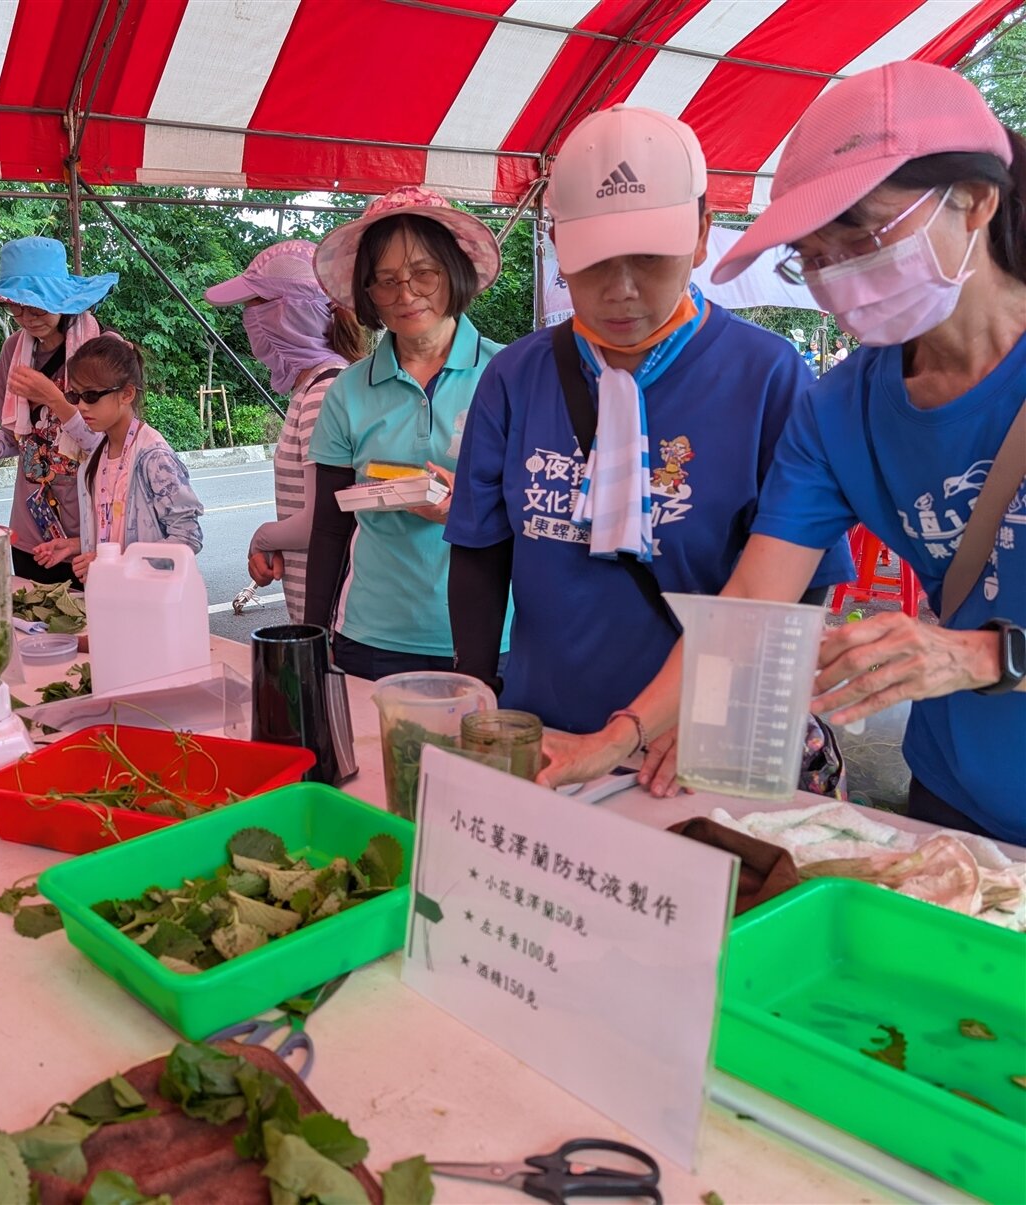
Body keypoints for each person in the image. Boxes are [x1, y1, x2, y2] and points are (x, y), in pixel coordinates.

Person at [541, 63, 1026, 844]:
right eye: (815, 254)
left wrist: (982, 656)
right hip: (953, 804)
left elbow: (975, 655)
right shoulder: (837, 410)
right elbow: (746, 608)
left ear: (974, 199)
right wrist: (619, 736)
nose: (841, 277)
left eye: (861, 234)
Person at [446, 106, 851, 753]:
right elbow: (480, 548)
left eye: (650, 256)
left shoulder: (767, 377)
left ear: (701, 233)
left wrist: (723, 717)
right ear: (556, 243)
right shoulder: (516, 378)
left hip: (696, 742)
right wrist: (475, 692)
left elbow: (803, 582)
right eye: (596, 260)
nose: (623, 289)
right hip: (544, 728)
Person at [303, 185, 504, 679]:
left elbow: (540, 515)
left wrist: (472, 511)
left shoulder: (509, 375)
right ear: (367, 293)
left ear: (454, 271)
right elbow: (330, 526)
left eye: (423, 273)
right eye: (386, 280)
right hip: (373, 637)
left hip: (494, 635)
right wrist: (313, 635)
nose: (406, 294)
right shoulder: (347, 391)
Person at [205, 240, 367, 623]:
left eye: (253, 307)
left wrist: (263, 538)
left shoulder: (324, 395)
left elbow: (324, 520)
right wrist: (282, 540)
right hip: (324, 605)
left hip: (333, 614)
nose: (248, 321)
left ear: (287, 315)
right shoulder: (321, 386)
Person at [0, 237, 117, 583]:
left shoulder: (102, 349)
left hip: (88, 535)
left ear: (61, 298)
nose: (26, 318)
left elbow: (110, 446)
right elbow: (15, 438)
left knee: (93, 632)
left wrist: (55, 398)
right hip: (30, 532)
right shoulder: (14, 350)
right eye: (17, 307)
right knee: (35, 632)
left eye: (37, 306)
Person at [26, 335, 203, 582]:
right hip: (113, 599)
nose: (81, 407)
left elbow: (187, 538)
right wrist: (76, 545)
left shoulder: (153, 457)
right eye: (75, 396)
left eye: (91, 396)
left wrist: (116, 562)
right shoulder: (95, 457)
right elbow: (115, 532)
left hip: (154, 605)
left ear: (127, 394)